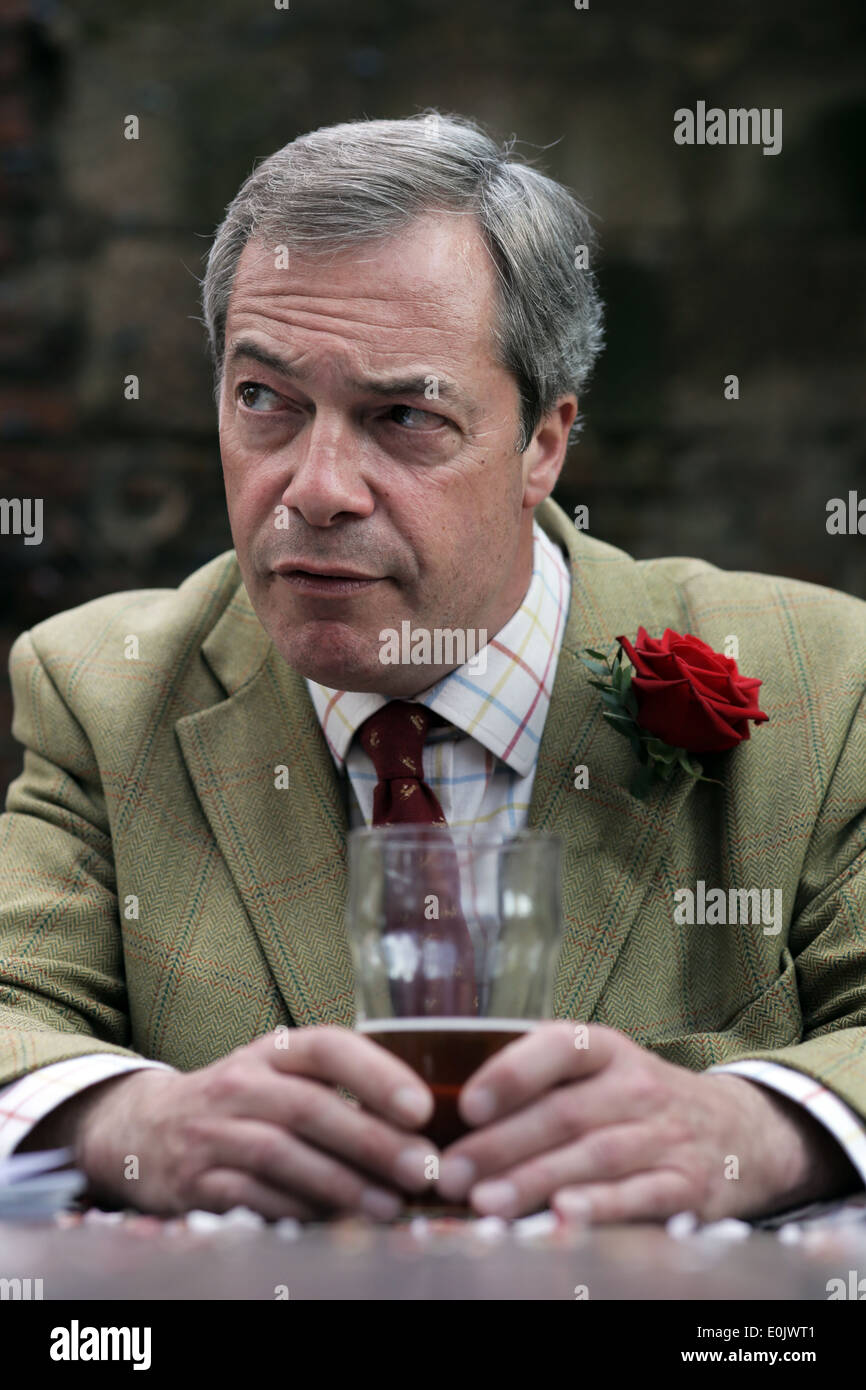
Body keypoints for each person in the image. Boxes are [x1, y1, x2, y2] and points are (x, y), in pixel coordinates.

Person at [1, 111, 864, 1226]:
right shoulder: (101, 688)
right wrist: (128, 1126)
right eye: (264, 400)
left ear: (542, 444)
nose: (315, 487)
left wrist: (754, 1127)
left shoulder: (816, 678)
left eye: (400, 415)